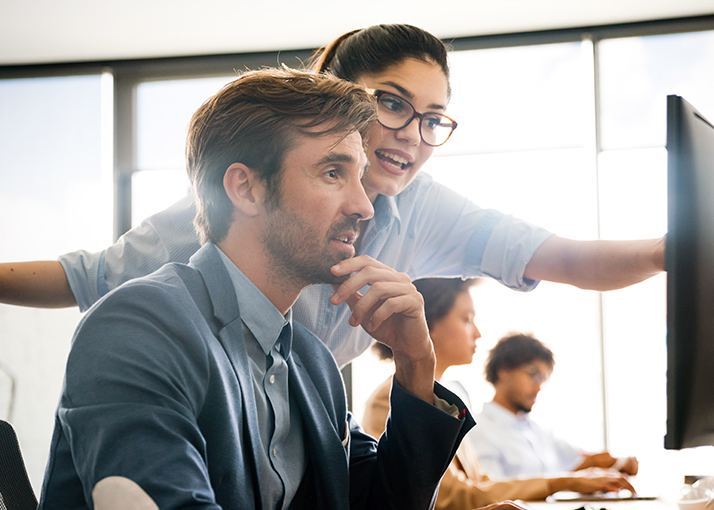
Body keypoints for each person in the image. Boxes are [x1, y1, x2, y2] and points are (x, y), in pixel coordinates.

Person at [0, 24, 665, 368]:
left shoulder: (426, 208)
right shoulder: (244, 199)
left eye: (434, 118)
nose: (413, 136)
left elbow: (567, 259)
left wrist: (676, 253)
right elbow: (87, 276)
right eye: (392, 104)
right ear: (336, 98)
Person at [37, 68, 473, 510]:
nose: (363, 207)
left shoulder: (311, 362)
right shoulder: (138, 326)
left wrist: (416, 365)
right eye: (332, 173)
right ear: (246, 188)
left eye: (359, 177)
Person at [362, 278, 635, 510]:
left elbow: (480, 484)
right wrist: (564, 482)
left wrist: (574, 479)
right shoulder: (393, 399)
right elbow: (455, 498)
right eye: (467, 319)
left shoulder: (445, 399)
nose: (478, 333)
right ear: (426, 323)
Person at [469, 333, 638, 481]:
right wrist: (571, 480)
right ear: (504, 370)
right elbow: (491, 496)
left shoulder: (538, 432)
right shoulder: (477, 431)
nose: (538, 387)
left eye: (543, 379)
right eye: (533, 375)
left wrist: (618, 463)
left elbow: (582, 457)